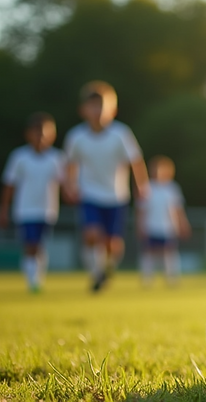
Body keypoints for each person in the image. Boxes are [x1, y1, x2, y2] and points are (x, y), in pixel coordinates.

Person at [64, 81, 149, 292]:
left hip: (116, 195)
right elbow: (70, 164)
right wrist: (69, 185)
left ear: (113, 110)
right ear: (83, 110)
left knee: (112, 244)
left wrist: (141, 185)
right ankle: (96, 274)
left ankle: (106, 269)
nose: (97, 111)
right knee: (92, 235)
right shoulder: (76, 137)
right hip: (89, 193)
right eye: (92, 106)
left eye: (101, 106)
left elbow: (136, 161)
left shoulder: (121, 133)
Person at [0, 112, 65, 293]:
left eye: (44, 133)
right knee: (30, 244)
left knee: (40, 245)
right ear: (28, 134)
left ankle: (38, 277)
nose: (40, 137)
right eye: (37, 132)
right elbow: (9, 185)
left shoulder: (57, 158)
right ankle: (31, 280)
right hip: (25, 210)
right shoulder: (19, 157)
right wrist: (3, 210)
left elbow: (65, 183)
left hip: (47, 210)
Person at [137, 156, 190, 287]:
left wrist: (183, 224)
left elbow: (178, 209)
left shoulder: (172, 188)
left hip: (168, 227)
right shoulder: (147, 188)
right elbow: (141, 210)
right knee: (149, 253)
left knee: (169, 252)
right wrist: (140, 225)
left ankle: (171, 279)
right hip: (151, 226)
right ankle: (147, 279)